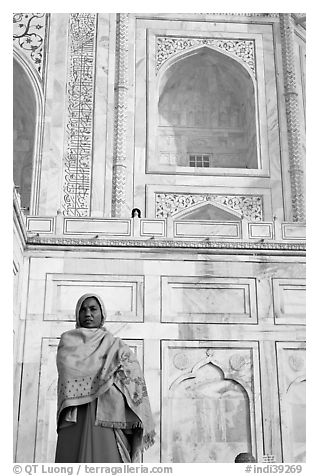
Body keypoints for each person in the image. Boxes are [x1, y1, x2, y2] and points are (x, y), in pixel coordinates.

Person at [55, 293, 155, 463]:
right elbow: (67, 372)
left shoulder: (115, 344)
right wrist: (106, 376)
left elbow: (133, 372)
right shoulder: (68, 341)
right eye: (83, 310)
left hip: (108, 414)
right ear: (77, 314)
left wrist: (114, 378)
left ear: (102, 314)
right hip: (76, 414)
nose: (88, 314)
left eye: (93, 309)